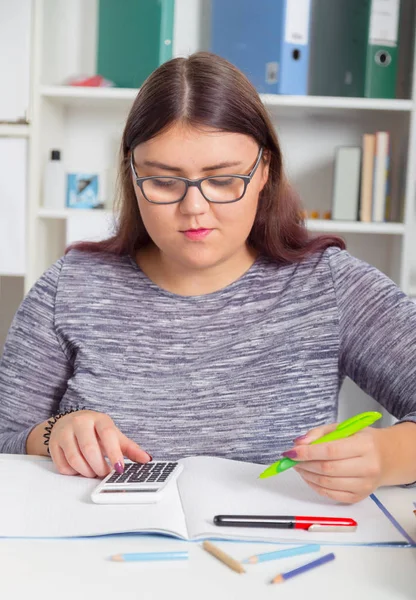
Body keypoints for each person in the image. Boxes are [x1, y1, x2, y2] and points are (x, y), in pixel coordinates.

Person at [0, 53, 415, 504]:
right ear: (132, 175)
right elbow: (8, 432)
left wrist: (386, 455)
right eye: (163, 181)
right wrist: (52, 434)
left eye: (223, 179)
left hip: (275, 560)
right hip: (97, 559)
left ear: (265, 172)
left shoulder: (329, 286)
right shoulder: (70, 287)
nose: (194, 207)